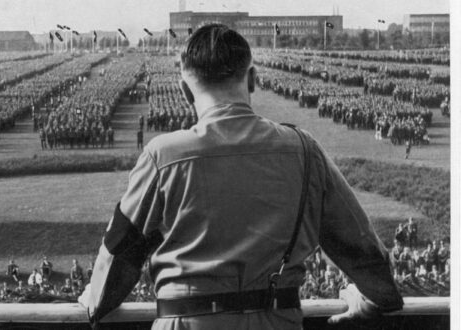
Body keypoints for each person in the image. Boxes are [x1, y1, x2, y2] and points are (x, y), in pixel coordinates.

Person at [79, 24, 402, 329]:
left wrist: (95, 300)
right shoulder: (305, 150)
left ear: (185, 91)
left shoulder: (162, 155)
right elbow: (360, 244)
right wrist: (376, 296)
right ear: (252, 79)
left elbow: (119, 251)